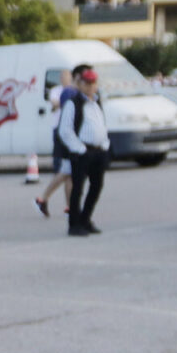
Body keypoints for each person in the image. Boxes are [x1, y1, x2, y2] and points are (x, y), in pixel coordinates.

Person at [57, 67, 111, 237]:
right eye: (86, 83)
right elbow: (65, 130)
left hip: (98, 150)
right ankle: (74, 224)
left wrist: (104, 144)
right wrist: (79, 149)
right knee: (77, 188)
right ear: (79, 84)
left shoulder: (96, 103)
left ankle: (85, 219)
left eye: (93, 83)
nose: (90, 87)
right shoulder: (73, 103)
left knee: (96, 186)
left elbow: (101, 124)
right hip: (81, 151)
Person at [37, 68, 76, 219]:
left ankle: (69, 206)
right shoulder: (61, 91)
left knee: (68, 172)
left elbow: (59, 105)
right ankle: (44, 198)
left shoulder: (72, 91)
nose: (63, 79)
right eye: (62, 77)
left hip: (70, 132)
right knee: (66, 170)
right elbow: (56, 103)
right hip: (61, 131)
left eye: (66, 76)